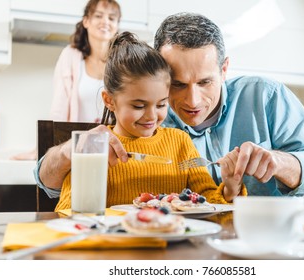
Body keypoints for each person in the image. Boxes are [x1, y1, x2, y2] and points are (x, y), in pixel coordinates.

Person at [35, 12, 304, 198]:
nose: (192, 101)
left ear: (224, 69)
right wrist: (68, 152)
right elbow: (50, 186)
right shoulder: (146, 119)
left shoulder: (266, 97)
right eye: (177, 84)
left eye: (205, 82)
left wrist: (279, 162)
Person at [54, 31, 246, 211]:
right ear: (109, 100)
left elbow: (206, 201)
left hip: (172, 241)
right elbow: (66, 211)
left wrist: (229, 189)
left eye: (161, 104)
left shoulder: (180, 142)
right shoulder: (95, 147)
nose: (152, 116)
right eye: (139, 106)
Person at [11, 0, 121, 160]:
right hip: (77, 148)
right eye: (98, 16)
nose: (105, 21)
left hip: (114, 147)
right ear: (86, 21)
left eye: (112, 18)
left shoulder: (121, 59)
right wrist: (44, 149)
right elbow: (59, 106)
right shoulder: (71, 56)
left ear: (117, 25)